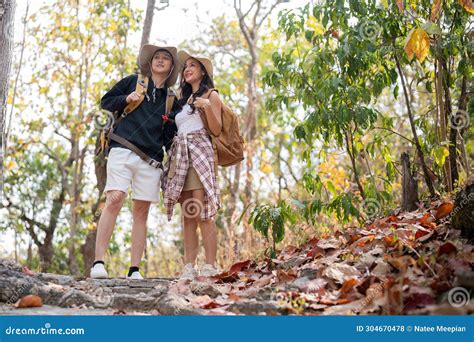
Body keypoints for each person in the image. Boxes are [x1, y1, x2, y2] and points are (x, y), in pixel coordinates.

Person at [90, 45, 179, 279]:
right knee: (115, 198)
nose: (160, 60)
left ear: (170, 67)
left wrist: (174, 164)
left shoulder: (171, 99)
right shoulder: (133, 81)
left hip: (151, 161)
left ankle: (134, 270)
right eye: (156, 57)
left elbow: (170, 136)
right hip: (122, 148)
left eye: (165, 59)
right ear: (150, 64)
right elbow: (106, 101)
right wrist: (126, 98)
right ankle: (98, 263)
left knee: (141, 212)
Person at [161, 50, 222, 279]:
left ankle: (210, 265)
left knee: (202, 209)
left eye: (193, 65)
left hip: (200, 152)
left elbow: (216, 130)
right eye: (185, 66)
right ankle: (189, 266)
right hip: (181, 155)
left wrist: (206, 106)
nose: (187, 69)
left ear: (202, 71)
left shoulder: (211, 95)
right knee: (188, 212)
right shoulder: (182, 101)